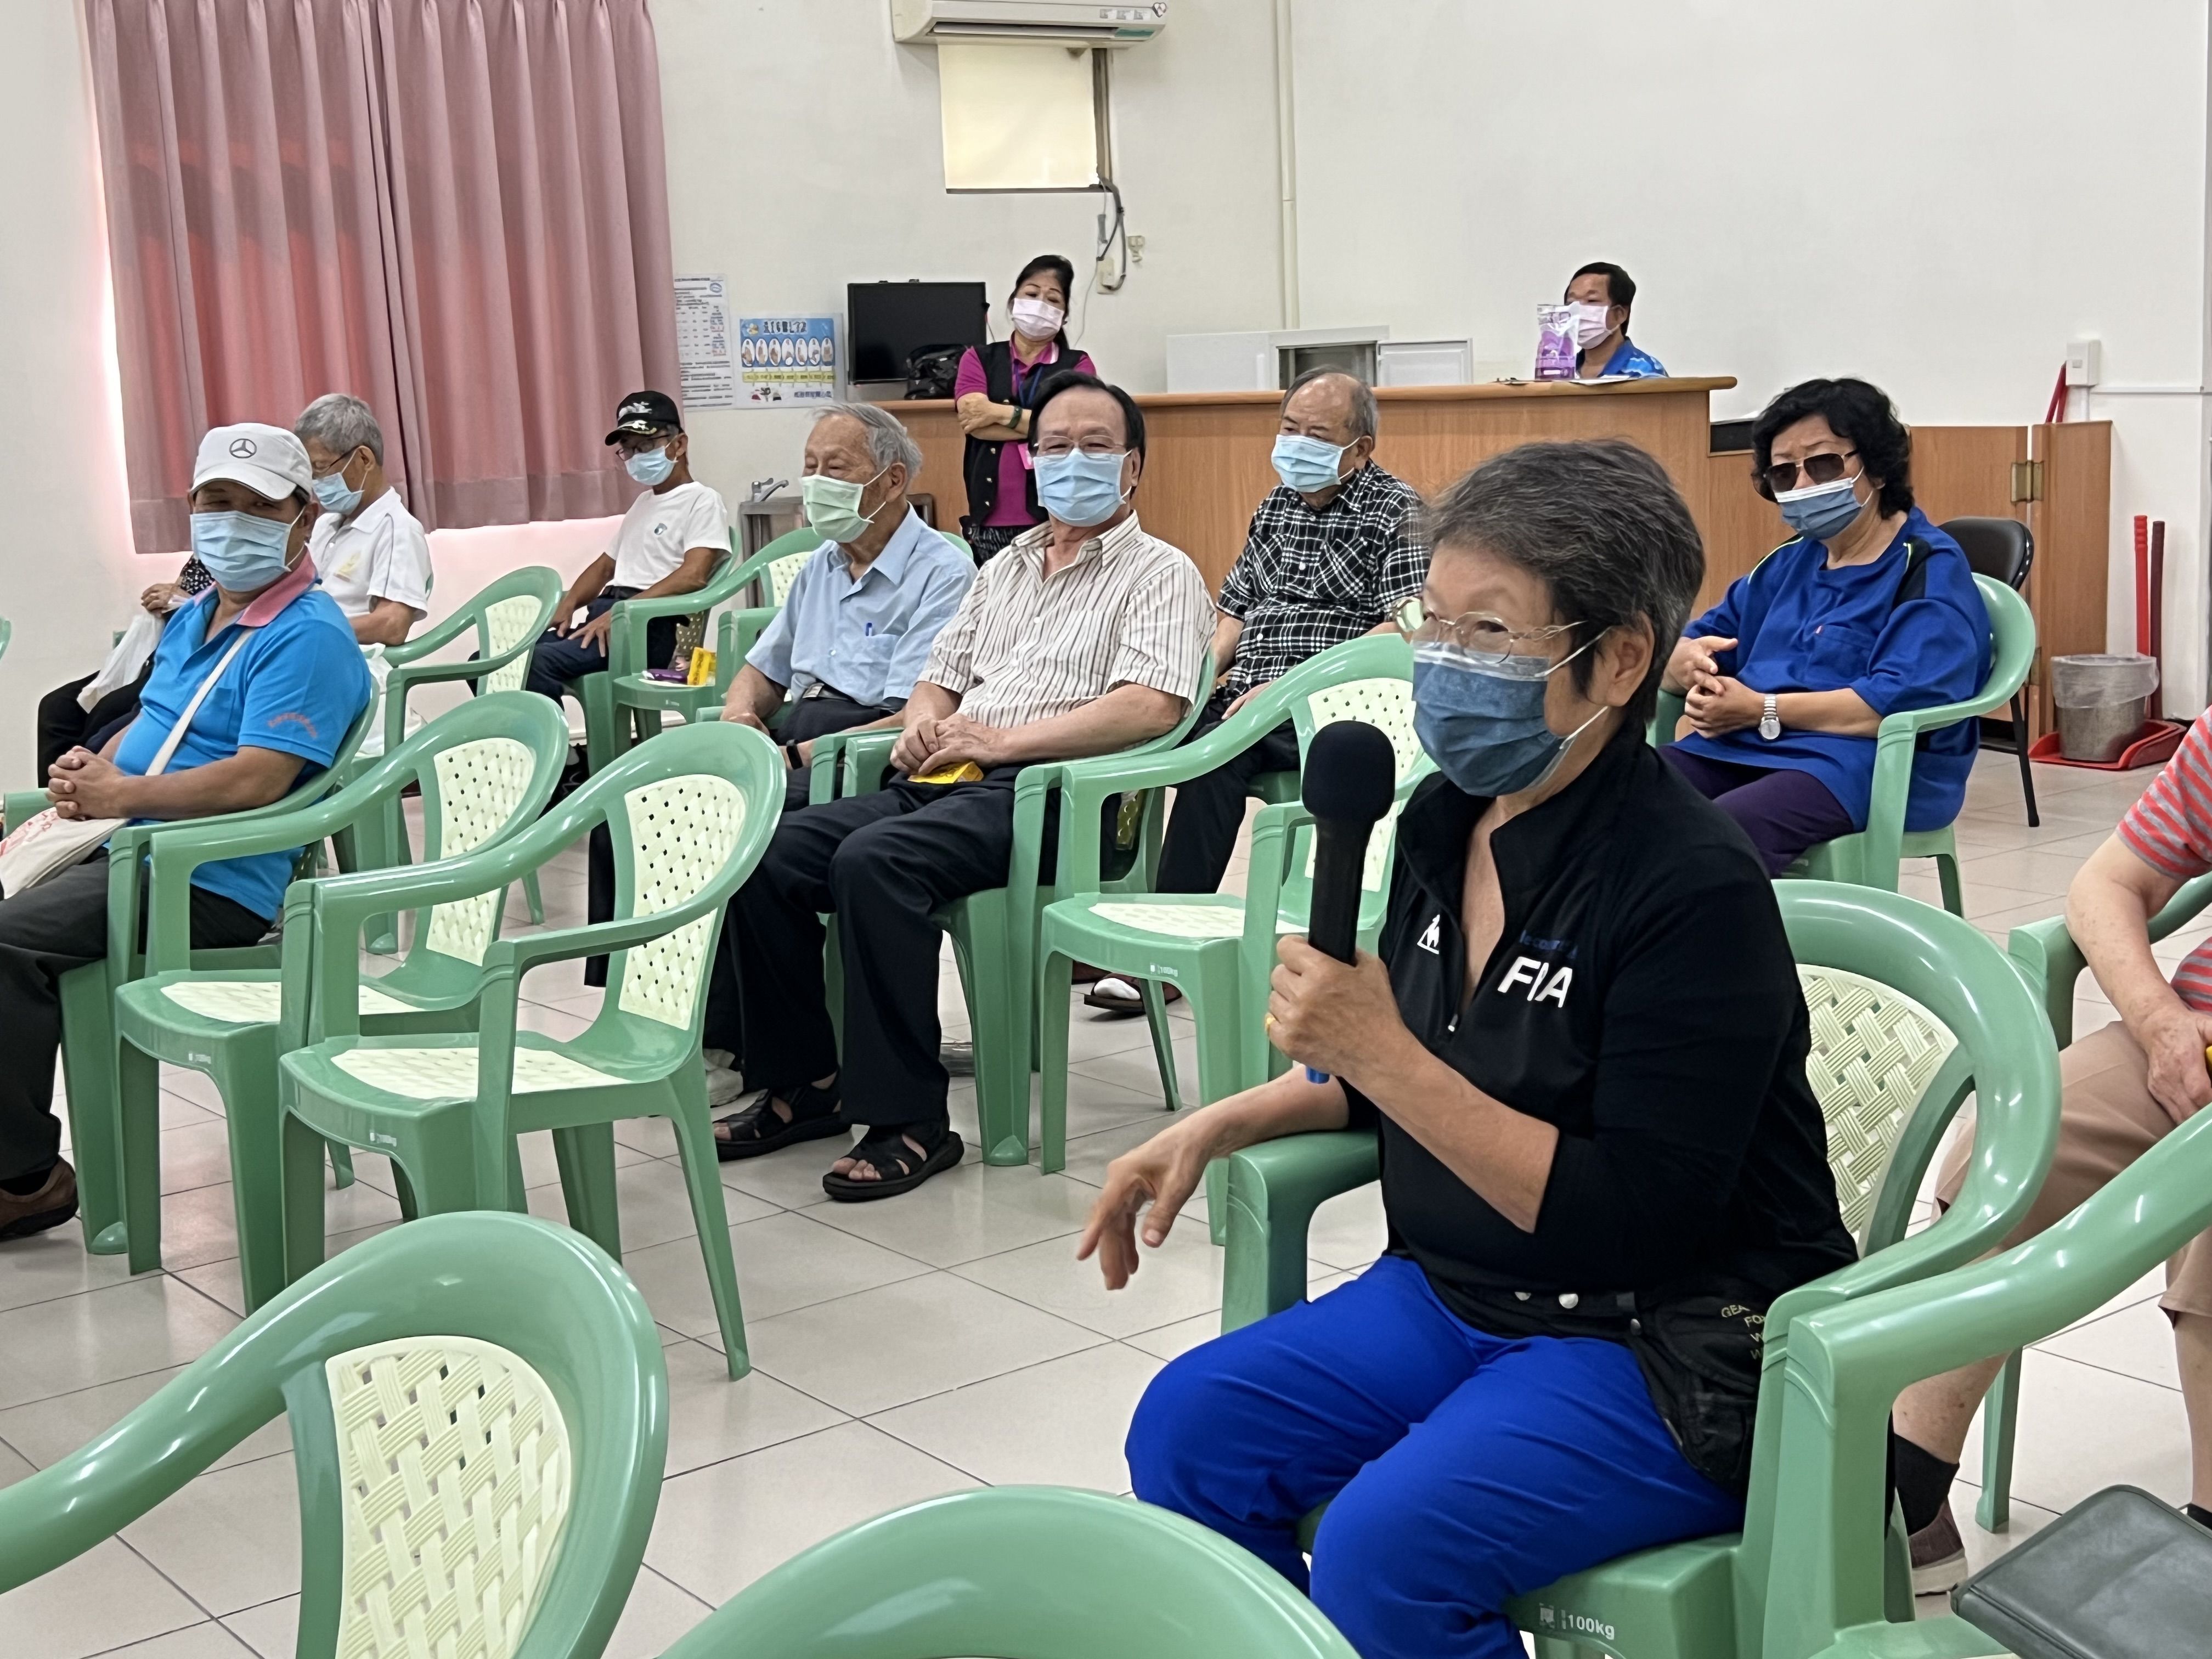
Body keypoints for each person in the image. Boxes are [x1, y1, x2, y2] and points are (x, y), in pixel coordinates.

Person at [1084, 439, 1856, 1659]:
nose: (1442, 662)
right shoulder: (1445, 818)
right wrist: (1217, 1122)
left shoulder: (1690, 883)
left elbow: (1633, 1214)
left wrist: (1378, 1053)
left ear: (1619, 659)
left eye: (1488, 632)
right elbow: (1426, 1060)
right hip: (1458, 1291)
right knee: (1191, 1429)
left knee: (1390, 1549)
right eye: (1431, 622)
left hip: (1658, 1333)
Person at [711, 373, 1212, 1198]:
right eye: (1055, 446)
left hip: (1056, 795)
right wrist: (921, 722)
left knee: (876, 862)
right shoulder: (1004, 566)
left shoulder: (1161, 571)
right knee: (768, 851)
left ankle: (910, 1120)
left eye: (1094, 446)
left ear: (1132, 467)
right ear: (1031, 460)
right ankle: (808, 1084)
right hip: (954, 775)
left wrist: (1005, 741)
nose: (1072, 461)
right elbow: (940, 678)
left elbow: (1151, 706)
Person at [0, 424, 373, 1243]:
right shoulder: (198, 614)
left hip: (204, 879)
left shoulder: (306, 635)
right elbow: (155, 722)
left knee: (6, 943)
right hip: (125, 844)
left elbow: (257, 781)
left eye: (258, 507)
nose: (233, 522)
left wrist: (122, 794)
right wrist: (88, 772)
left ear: (304, 517)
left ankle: (24, 1178)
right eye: (217, 502)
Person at [1888, 726, 2212, 1592]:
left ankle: (2207, 1546)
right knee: (2006, 1156)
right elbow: (2108, 882)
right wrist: (2160, 1025)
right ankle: (1911, 1497)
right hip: (2194, 1047)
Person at [1084, 368, 1424, 1016]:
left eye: (1317, 434)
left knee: (1215, 760)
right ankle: (1107, 917)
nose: (1297, 444)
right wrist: (1191, 681)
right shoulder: (1276, 506)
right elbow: (1235, 611)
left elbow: (1411, 619)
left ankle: (1168, 952)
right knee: (1129, 731)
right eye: (1289, 429)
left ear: (1360, 448)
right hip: (1245, 692)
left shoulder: (1396, 510)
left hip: (1329, 705)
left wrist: (1292, 688)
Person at [1660, 377, 1990, 875]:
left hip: (1869, 763)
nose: (1803, 487)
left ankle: (1725, 925)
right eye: (1783, 473)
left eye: (1823, 464)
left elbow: (1893, 706)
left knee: (1724, 833)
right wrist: (1686, 663)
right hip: (1748, 745)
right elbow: (1707, 641)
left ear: (1876, 466)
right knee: (1620, 798)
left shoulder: (1926, 569)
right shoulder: (1787, 563)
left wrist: (1761, 708)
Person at [720, 403, 974, 812]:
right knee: (644, 808)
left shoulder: (943, 573)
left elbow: (917, 716)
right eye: (811, 467)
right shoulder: (823, 562)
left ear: (893, 480)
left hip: (864, 754)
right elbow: (765, 669)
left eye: (835, 468)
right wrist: (739, 715)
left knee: (730, 818)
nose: (817, 482)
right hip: (797, 737)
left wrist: (800, 756)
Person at [527, 390, 728, 706]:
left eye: (645, 446)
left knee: (535, 663)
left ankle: (551, 739)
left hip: (647, 628)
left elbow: (694, 575)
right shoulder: (643, 504)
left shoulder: (703, 501)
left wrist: (624, 612)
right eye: (629, 449)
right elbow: (605, 567)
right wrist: (569, 604)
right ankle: (526, 737)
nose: (636, 457)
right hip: (607, 618)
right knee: (493, 661)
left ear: (679, 444)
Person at [953, 255, 1097, 564]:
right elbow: (975, 424)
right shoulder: (978, 358)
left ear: (1064, 316)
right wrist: (1045, 426)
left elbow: (1073, 430)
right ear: (1013, 301)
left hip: (1059, 517)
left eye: (1053, 299)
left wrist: (999, 413)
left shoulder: (1078, 364)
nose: (1040, 305)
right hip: (990, 518)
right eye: (1032, 294)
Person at [35, 558, 213, 785]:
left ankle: (78, 788)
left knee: (109, 709)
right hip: (166, 645)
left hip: (198, 655)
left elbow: (228, 609)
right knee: (58, 705)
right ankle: (49, 798)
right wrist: (169, 595)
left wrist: (188, 603)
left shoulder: (245, 565)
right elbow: (185, 587)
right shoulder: (205, 553)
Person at [295, 393, 432, 647]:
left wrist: (306, 631)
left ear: (364, 460)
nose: (315, 482)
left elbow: (392, 624)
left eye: (321, 467)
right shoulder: (325, 525)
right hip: (309, 647)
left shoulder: (397, 530)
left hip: (352, 659)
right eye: (310, 471)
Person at [1564, 261, 1666, 379]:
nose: (1578, 311)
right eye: (1571, 303)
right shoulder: (1562, 371)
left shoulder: (1646, 372)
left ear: (1620, 314)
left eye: (1592, 300)